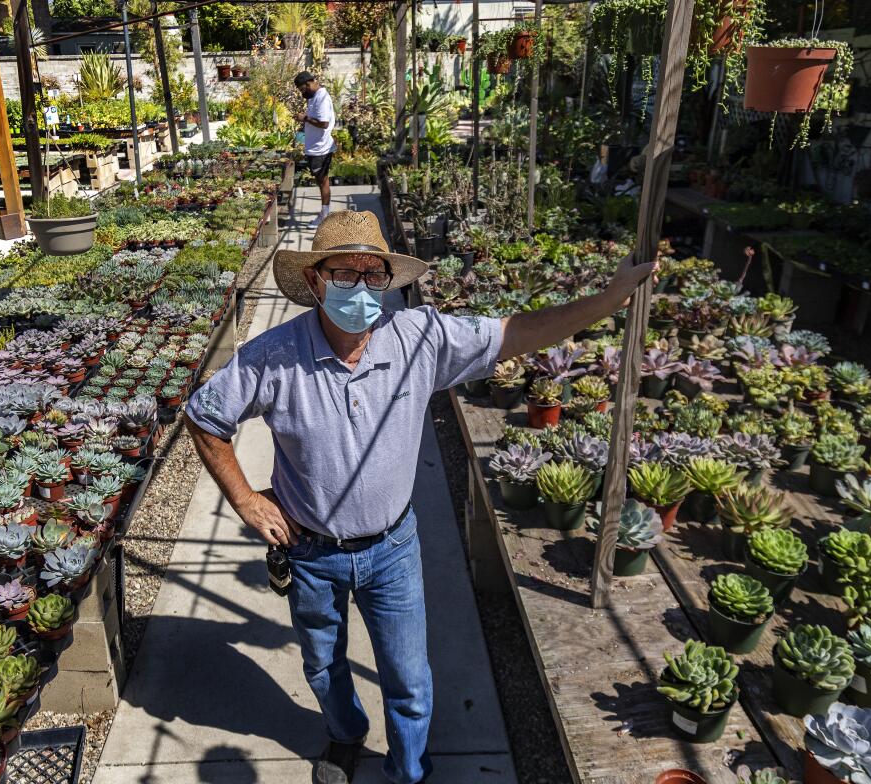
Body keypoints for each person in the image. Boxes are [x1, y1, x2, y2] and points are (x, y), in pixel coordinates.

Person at [184, 211, 655, 784]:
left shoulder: (419, 338)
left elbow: (517, 332)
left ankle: (408, 768)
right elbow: (205, 417)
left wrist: (606, 300)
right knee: (322, 664)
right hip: (310, 553)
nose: (361, 289)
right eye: (344, 274)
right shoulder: (273, 357)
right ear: (314, 282)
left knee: (408, 675)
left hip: (392, 549)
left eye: (373, 275)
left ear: (389, 281)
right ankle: (345, 734)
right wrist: (247, 501)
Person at [294, 71, 335, 228]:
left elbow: (323, 123)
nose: (302, 93)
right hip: (316, 147)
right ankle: (324, 214)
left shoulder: (321, 98)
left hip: (321, 148)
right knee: (321, 181)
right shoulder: (314, 97)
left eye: (302, 89)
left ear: (309, 84)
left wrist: (304, 118)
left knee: (322, 181)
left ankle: (324, 218)